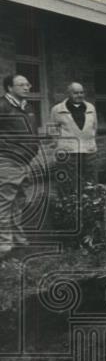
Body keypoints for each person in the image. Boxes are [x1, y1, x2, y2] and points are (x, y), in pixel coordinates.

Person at [0, 74, 39, 256]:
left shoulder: (28, 107)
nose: (27, 87)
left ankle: (18, 240)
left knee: (19, 201)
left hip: (25, 162)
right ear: (9, 88)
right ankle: (4, 245)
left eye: (28, 84)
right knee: (5, 203)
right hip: (8, 162)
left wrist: (33, 149)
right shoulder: (2, 106)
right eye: (21, 85)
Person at [49, 82, 99, 192]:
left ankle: (90, 205)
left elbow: (94, 127)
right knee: (68, 183)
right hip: (68, 153)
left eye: (81, 92)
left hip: (88, 151)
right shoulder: (57, 109)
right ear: (69, 94)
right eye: (75, 93)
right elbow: (53, 131)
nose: (79, 95)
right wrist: (59, 148)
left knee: (90, 181)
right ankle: (68, 204)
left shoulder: (90, 108)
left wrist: (89, 141)